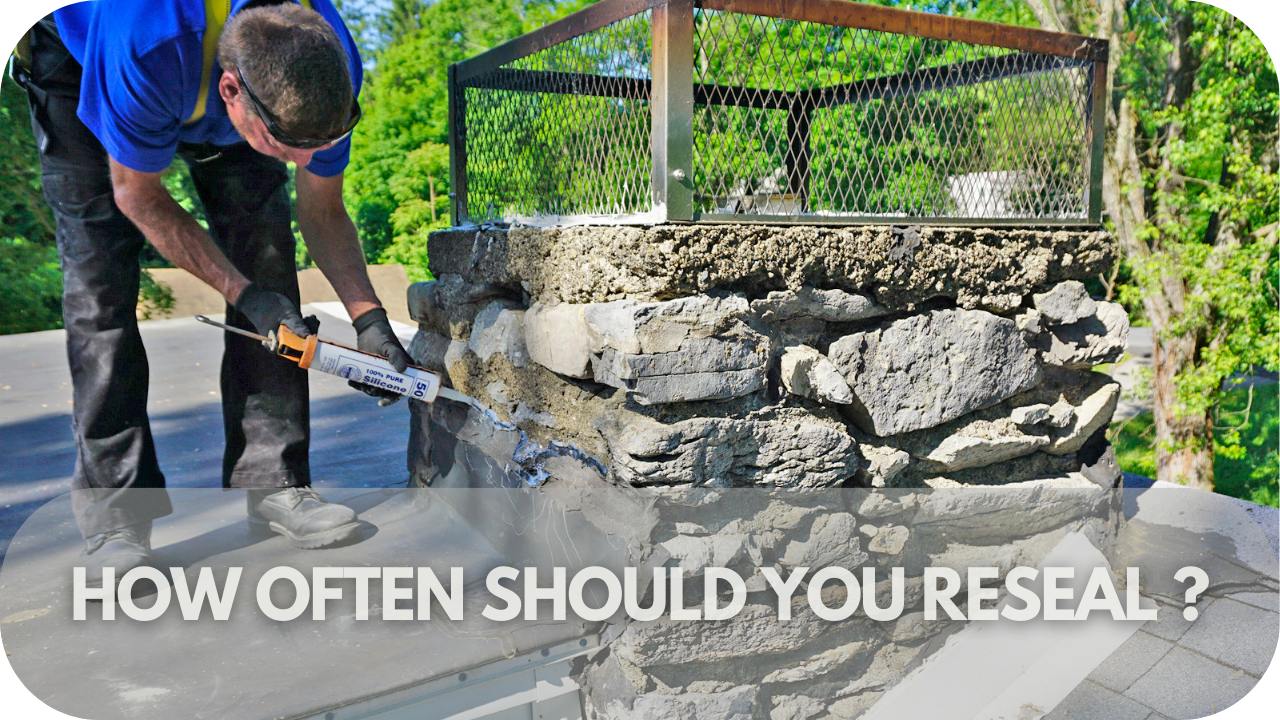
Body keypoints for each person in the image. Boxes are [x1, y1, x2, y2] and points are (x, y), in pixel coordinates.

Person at [10, 0, 412, 579]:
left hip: (230, 76)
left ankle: (274, 480)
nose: (306, 161)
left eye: (316, 144)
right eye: (289, 143)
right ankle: (117, 517)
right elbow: (135, 194)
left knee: (269, 256)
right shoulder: (146, 42)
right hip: (81, 62)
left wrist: (369, 320)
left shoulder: (324, 58)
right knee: (100, 289)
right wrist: (245, 299)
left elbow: (322, 207)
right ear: (230, 91)